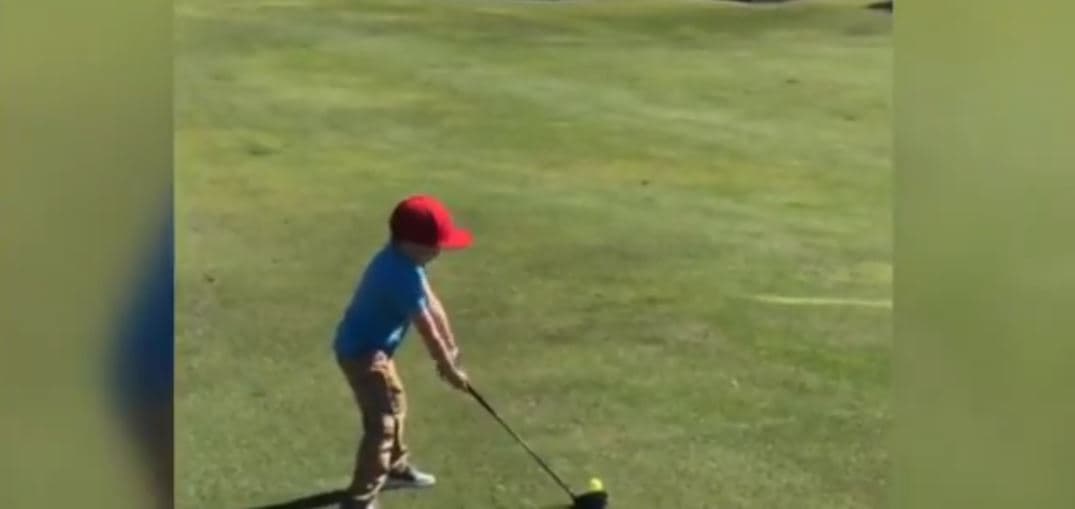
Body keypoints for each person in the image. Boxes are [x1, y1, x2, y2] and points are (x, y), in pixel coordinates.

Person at [335, 195, 473, 509]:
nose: (439, 251)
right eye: (433, 246)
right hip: (360, 355)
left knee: (395, 404)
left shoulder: (408, 263)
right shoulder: (398, 274)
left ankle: (395, 469)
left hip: (377, 352)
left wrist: (452, 350)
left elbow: (432, 305)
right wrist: (448, 370)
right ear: (408, 242)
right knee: (382, 422)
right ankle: (360, 499)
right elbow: (425, 326)